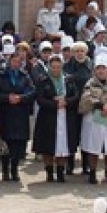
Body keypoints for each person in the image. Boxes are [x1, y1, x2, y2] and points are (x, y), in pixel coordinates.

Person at [77, 49, 107, 185]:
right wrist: (100, 105)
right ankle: (92, 172)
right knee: (94, 147)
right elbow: (86, 99)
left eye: (103, 68)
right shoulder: (90, 83)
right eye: (98, 68)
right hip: (95, 119)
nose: (100, 71)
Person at [32, 53, 80, 183]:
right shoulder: (43, 80)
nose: (56, 70)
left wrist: (66, 102)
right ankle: (49, 172)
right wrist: (55, 104)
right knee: (48, 145)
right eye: (53, 67)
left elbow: (76, 95)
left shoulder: (68, 79)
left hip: (65, 115)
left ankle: (60, 171)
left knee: (63, 144)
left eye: (58, 67)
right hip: (48, 116)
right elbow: (40, 98)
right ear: (49, 67)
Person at [0, 45, 36, 182]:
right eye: (14, 61)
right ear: (10, 61)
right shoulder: (0, 74)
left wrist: (21, 98)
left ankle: (15, 169)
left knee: (18, 143)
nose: (16, 64)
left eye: (19, 62)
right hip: (6, 112)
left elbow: (32, 91)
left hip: (20, 113)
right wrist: (7, 98)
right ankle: (5, 169)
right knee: (6, 142)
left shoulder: (25, 75)